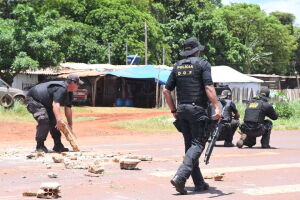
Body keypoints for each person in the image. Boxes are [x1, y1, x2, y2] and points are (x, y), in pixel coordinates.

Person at [163, 37, 221, 195]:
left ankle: (199, 183)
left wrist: (174, 110)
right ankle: (180, 177)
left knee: (190, 147)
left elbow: (166, 91)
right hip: (197, 111)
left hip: (182, 111)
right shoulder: (203, 63)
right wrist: (217, 107)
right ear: (197, 50)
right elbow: (208, 87)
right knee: (198, 144)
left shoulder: (176, 66)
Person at [26, 74, 83, 153]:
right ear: (72, 83)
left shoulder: (69, 92)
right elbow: (55, 104)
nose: (78, 86)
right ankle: (40, 146)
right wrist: (59, 120)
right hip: (35, 99)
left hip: (46, 103)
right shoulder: (61, 88)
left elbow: (68, 108)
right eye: (78, 84)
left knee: (54, 121)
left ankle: (58, 145)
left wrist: (70, 124)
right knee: (44, 120)